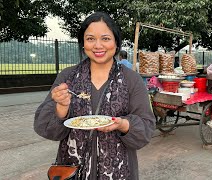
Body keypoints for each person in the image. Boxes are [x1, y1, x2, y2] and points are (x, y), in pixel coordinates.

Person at [34, 12, 155, 180]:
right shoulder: (68, 77)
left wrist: (124, 124)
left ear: (116, 42)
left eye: (105, 38)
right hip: (72, 170)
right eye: (90, 39)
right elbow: (46, 129)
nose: (98, 45)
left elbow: (146, 129)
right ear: (83, 43)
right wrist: (61, 107)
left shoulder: (131, 79)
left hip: (120, 171)